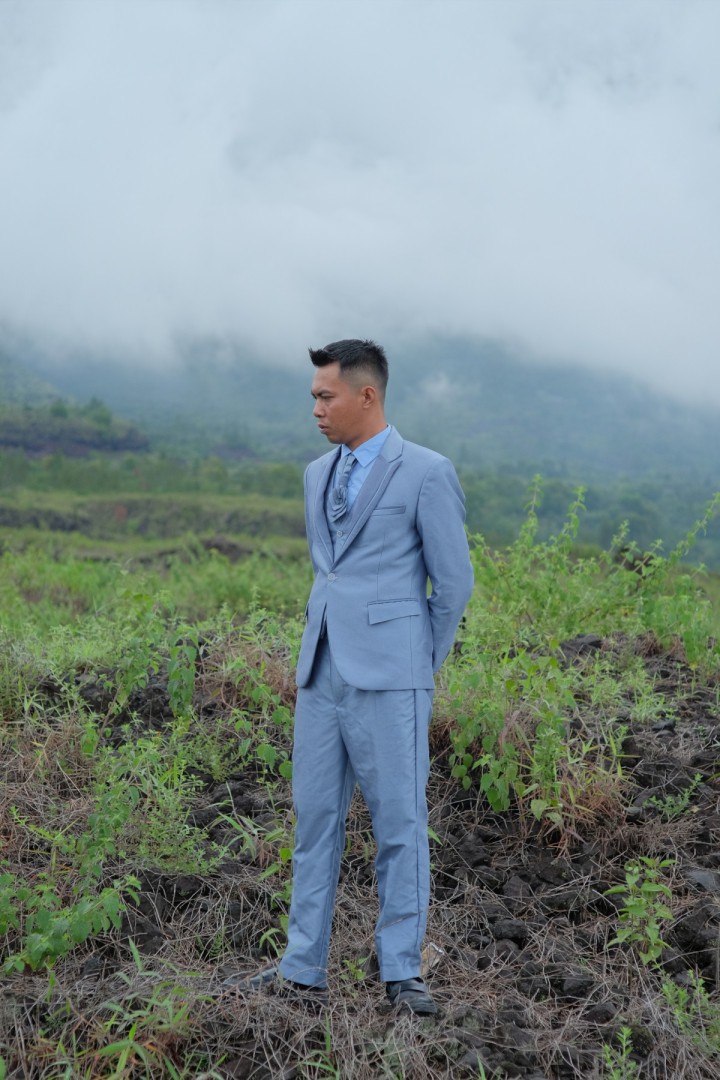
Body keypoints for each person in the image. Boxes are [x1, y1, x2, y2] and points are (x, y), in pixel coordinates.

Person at [223, 339, 473, 1014]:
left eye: (325, 396)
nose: (316, 408)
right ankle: (301, 968)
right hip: (321, 673)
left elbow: (453, 584)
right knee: (314, 822)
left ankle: (402, 972)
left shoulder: (426, 472)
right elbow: (329, 572)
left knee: (398, 823)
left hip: (392, 678)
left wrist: (416, 665)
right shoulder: (315, 474)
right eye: (313, 397)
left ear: (367, 395)